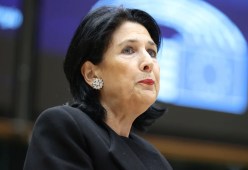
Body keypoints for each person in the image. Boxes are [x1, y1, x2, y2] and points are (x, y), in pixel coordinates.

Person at [23, 6, 172, 170]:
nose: (148, 62)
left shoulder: (156, 159)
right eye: (128, 50)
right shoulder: (64, 125)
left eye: (151, 52)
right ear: (91, 74)